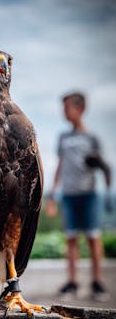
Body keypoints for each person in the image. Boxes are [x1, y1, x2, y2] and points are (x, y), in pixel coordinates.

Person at [46, 92, 112, 301]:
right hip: (69, 195)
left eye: (67, 107)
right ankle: (72, 283)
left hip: (89, 194)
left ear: (80, 108)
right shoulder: (63, 137)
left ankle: (97, 283)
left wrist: (107, 190)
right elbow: (59, 165)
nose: (64, 112)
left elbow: (103, 166)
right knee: (71, 239)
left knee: (93, 238)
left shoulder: (92, 138)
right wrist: (53, 194)